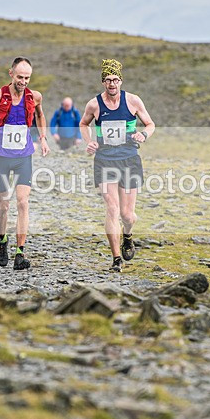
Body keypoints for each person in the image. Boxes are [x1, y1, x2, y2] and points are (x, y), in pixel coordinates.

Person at [79, 59, 155, 272]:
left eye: (115, 80)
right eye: (107, 80)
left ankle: (128, 235)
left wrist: (144, 134)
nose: (111, 84)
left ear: (121, 81)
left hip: (129, 159)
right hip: (104, 161)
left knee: (127, 215)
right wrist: (89, 141)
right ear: (103, 82)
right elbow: (83, 123)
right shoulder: (94, 105)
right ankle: (116, 259)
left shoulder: (133, 101)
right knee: (111, 208)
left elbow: (150, 123)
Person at [0, 56, 50, 270]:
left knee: (23, 202)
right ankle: (2, 240)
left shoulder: (34, 97)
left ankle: (20, 252)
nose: (23, 81)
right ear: (11, 74)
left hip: (23, 157)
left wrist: (43, 139)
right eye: (19, 77)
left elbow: (40, 116)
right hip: (0, 157)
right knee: (3, 205)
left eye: (27, 78)